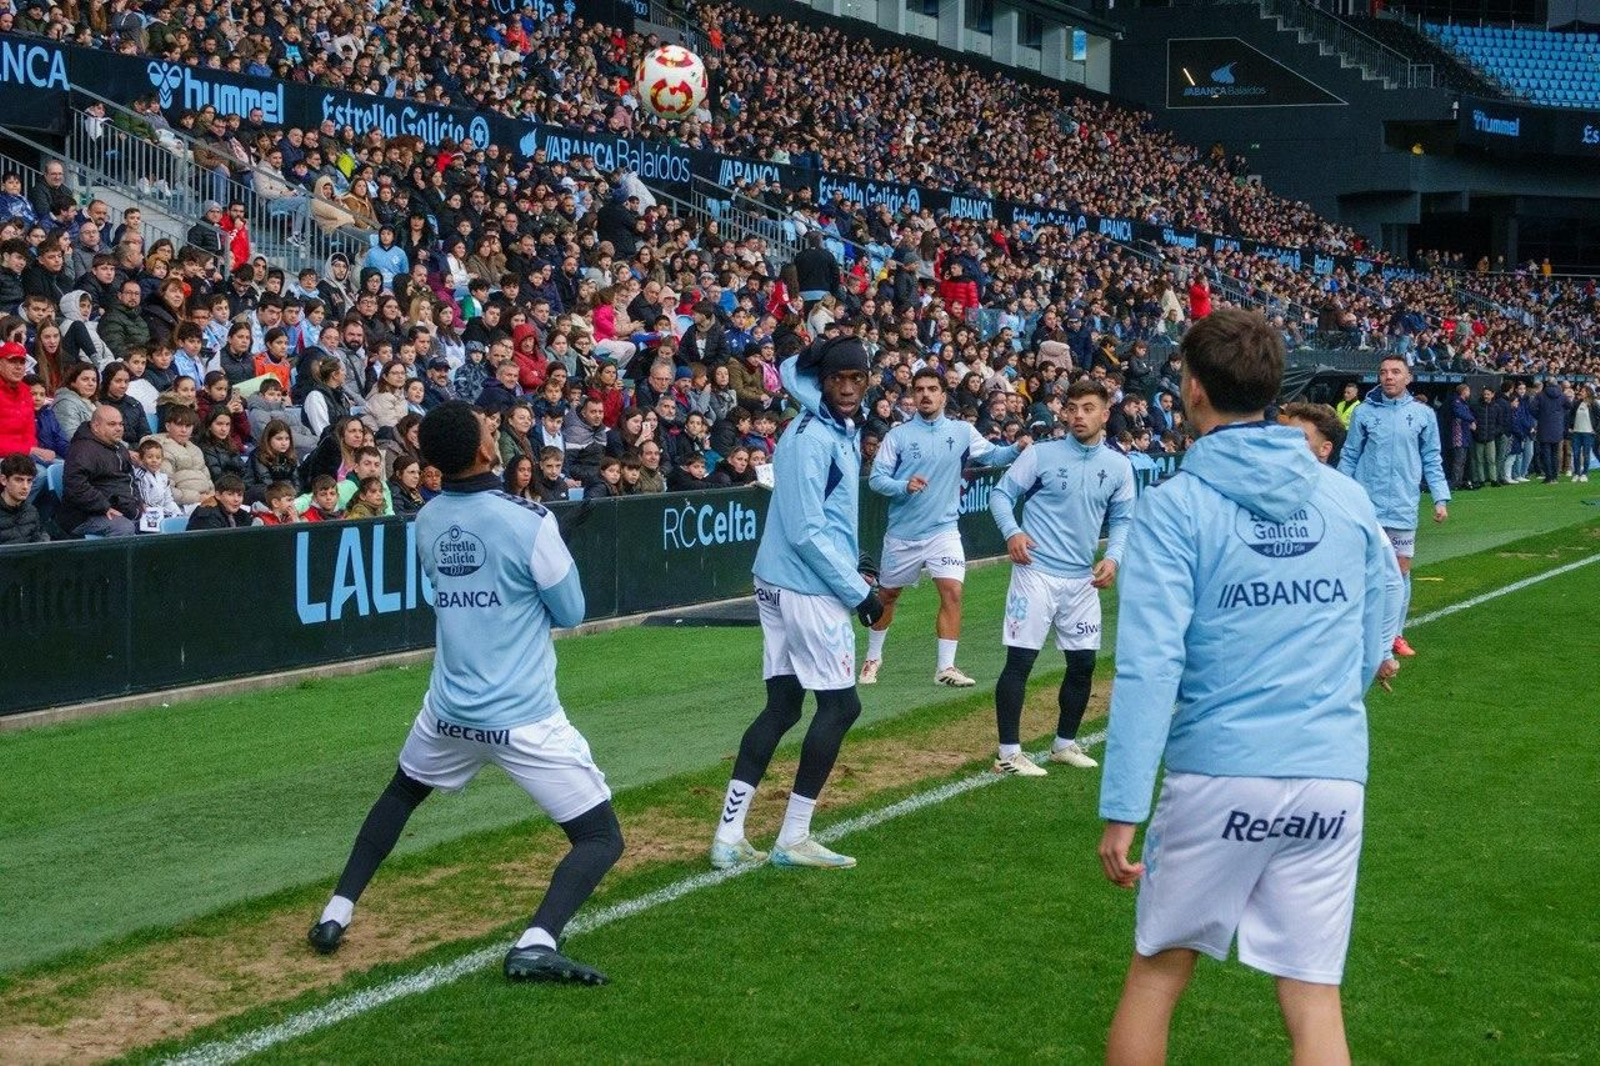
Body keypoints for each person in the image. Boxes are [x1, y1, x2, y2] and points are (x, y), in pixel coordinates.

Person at [1096, 310, 1400, 1065]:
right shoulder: (1343, 496)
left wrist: (1122, 806)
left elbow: (1148, 664)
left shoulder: (1174, 507)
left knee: (1159, 974)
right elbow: (1383, 605)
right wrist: (1340, 693)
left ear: (1192, 390)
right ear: (1274, 388)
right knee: (1313, 994)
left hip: (1221, 772)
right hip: (1331, 772)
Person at [307, 401, 623, 985]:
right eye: (489, 428)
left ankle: (337, 910)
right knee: (601, 837)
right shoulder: (529, 521)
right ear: (484, 452)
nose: (494, 430)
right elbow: (572, 612)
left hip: (449, 707)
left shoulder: (426, 519)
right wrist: (557, 544)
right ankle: (537, 939)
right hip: (522, 716)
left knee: (402, 793)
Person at [709, 336, 879, 872]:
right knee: (841, 706)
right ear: (821, 381)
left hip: (781, 579)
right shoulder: (812, 436)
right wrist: (859, 592)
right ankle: (794, 836)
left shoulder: (826, 428)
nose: (848, 388)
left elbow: (820, 519)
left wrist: (854, 558)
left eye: (857, 378)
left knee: (783, 706)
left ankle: (729, 837)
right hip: (806, 587)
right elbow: (807, 531)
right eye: (838, 379)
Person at [985, 377, 1135, 776]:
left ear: (1106, 414)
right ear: (1064, 413)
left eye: (1088, 408)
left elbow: (1122, 519)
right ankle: (1008, 754)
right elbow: (1001, 495)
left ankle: (1064, 744)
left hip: (1082, 580)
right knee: (1020, 662)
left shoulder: (1119, 466)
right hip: (1036, 574)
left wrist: (1114, 558)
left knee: (1083, 664)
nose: (1079, 416)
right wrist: (1013, 532)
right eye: (1073, 408)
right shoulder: (1040, 455)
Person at [862, 367, 1027, 688]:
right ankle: (872, 657)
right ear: (912, 395)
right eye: (919, 389)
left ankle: (945, 668)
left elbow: (993, 454)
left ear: (942, 394)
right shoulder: (897, 435)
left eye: (932, 388)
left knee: (952, 592)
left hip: (944, 531)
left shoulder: (962, 432)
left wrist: (1017, 447)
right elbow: (877, 480)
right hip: (903, 534)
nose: (925, 394)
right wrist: (903, 485)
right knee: (887, 596)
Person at [1336, 354, 1449, 658]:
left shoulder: (1423, 415)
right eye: (1384, 372)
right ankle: (1359, 630)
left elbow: (1432, 459)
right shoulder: (1363, 413)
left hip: (1402, 505)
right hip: (1365, 505)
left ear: (1408, 378)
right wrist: (1337, 494)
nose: (1389, 376)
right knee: (1362, 568)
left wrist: (1440, 497)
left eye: (1396, 372)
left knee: (1399, 573)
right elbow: (1349, 456)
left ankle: (1394, 634)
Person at [58, 404, 140, 537]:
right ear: (96, 426)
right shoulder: (83, 449)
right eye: (112, 424)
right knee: (124, 528)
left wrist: (139, 503)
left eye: (121, 424)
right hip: (85, 516)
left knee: (153, 522)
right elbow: (75, 485)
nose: (119, 428)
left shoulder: (119, 448)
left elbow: (131, 480)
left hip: (121, 509)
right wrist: (104, 506)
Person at [0, 452, 46, 543]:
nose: (25, 486)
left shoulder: (31, 511)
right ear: (4, 480)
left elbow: (41, 542)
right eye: (19, 480)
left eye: (29, 481)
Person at [187, 473, 253, 530]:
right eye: (230, 494)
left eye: (239, 495)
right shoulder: (207, 517)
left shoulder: (241, 514)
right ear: (218, 495)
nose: (236, 499)